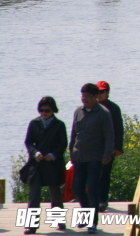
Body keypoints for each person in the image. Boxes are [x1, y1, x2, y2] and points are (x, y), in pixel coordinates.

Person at [69, 83, 114, 234]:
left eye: (88, 96)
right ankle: (86, 213)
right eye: (83, 95)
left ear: (95, 97)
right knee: (78, 189)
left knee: (93, 190)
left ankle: (92, 222)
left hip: (96, 158)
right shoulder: (78, 112)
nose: (84, 99)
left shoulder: (103, 113)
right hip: (79, 157)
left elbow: (109, 136)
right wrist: (71, 153)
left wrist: (107, 154)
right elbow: (73, 134)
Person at [23, 96, 68, 233]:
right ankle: (32, 225)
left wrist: (53, 155)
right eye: (41, 110)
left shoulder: (59, 125)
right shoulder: (34, 123)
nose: (44, 113)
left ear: (53, 110)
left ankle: (59, 221)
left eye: (47, 110)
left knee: (55, 194)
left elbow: (63, 144)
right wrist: (35, 153)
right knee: (34, 194)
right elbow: (28, 142)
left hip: (53, 164)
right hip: (37, 163)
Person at [95, 81, 123, 212]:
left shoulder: (114, 108)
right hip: (93, 147)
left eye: (102, 92)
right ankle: (93, 199)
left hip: (109, 147)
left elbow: (119, 129)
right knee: (93, 174)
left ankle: (102, 200)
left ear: (107, 93)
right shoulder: (91, 107)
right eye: (98, 92)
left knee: (104, 174)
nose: (100, 94)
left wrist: (118, 147)